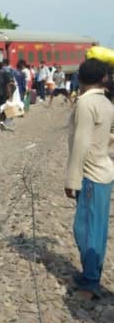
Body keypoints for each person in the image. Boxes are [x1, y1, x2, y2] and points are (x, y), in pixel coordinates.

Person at [64, 58, 114, 300]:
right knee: (97, 228)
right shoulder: (105, 101)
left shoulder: (85, 103)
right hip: (104, 172)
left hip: (91, 175)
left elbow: (81, 143)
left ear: (81, 78)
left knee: (85, 229)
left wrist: (71, 181)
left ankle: (91, 282)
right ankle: (90, 274)